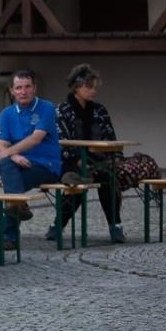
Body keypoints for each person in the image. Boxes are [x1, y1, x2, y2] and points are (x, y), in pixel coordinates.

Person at [55, 64, 135, 246]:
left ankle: (115, 226)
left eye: (94, 87)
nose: (93, 91)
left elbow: (110, 137)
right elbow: (62, 142)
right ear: (76, 87)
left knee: (107, 178)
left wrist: (111, 158)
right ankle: (57, 225)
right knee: (77, 182)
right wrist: (80, 159)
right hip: (71, 161)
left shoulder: (100, 111)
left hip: (99, 160)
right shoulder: (61, 111)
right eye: (88, 87)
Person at [0, 69, 61, 252]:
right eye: (19, 88)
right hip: (17, 165)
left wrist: (6, 154)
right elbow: (1, 144)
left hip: (46, 165)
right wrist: (12, 155)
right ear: (12, 91)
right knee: (8, 169)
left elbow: (35, 139)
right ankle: (18, 205)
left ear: (34, 88)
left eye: (28, 87)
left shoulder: (47, 108)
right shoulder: (6, 113)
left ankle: (9, 236)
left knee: (10, 183)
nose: (23, 91)